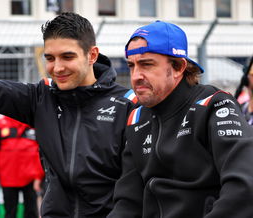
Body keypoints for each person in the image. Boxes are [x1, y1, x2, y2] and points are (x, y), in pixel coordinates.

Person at [0, 0, 135, 217]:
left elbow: (139, 185)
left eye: (67, 56)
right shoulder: (40, 97)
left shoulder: (128, 105)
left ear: (92, 55)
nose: (57, 68)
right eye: (50, 58)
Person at [108, 21, 253, 217]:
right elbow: (127, 203)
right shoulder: (137, 118)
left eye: (146, 64)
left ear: (178, 67)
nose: (135, 76)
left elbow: (244, 186)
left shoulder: (213, 105)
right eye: (131, 66)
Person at [0, 115, 44, 218]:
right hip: (8, 178)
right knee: (10, 212)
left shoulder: (32, 122)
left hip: (30, 178)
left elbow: (39, 153)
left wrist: (38, 177)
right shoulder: (1, 124)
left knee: (31, 212)